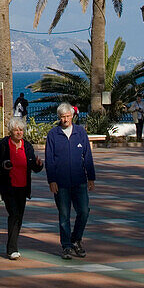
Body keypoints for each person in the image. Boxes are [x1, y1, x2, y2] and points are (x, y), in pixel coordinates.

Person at [0, 116, 44, 259]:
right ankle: (12, 248)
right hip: (7, 186)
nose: (19, 132)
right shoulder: (4, 145)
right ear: (10, 131)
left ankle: (12, 245)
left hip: (23, 186)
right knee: (14, 214)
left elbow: (34, 167)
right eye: (16, 130)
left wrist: (38, 165)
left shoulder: (27, 146)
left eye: (21, 130)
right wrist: (3, 164)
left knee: (19, 216)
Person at [45, 102, 96, 260]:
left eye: (68, 116)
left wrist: (91, 177)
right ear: (59, 118)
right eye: (62, 117)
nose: (65, 119)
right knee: (64, 215)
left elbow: (87, 156)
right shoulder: (53, 134)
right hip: (61, 183)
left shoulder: (80, 132)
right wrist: (51, 181)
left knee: (84, 211)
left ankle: (76, 239)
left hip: (79, 181)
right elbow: (49, 160)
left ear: (72, 116)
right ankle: (66, 245)